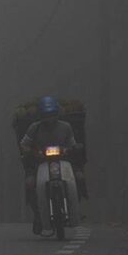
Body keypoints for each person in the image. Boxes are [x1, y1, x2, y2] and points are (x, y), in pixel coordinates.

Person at [19, 96, 86, 235]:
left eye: (51, 115)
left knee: (79, 177)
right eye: (46, 116)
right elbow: (24, 144)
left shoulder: (65, 127)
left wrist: (71, 149)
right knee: (30, 183)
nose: (49, 119)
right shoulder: (34, 128)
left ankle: (75, 210)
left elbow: (72, 144)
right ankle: (38, 216)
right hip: (40, 162)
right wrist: (32, 152)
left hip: (64, 161)